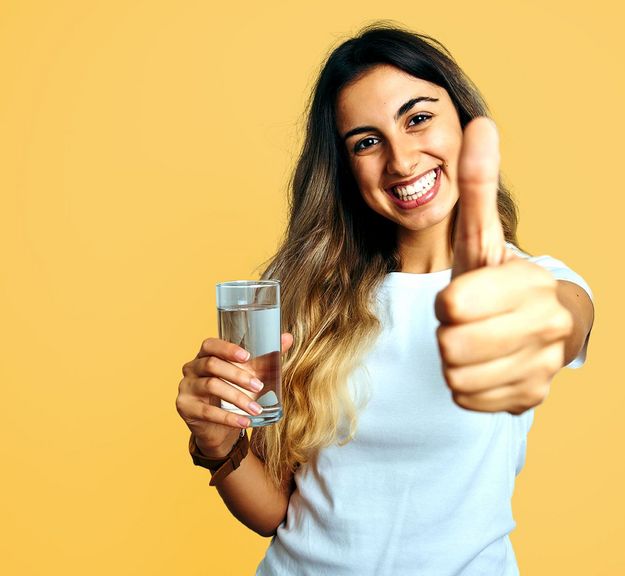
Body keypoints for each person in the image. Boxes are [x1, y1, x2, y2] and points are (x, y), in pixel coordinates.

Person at [176, 23, 595, 575]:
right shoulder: (308, 292)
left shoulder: (532, 282)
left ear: (466, 124)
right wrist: (217, 444)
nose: (401, 161)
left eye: (418, 118)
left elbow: (563, 319)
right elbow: (277, 513)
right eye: (367, 142)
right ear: (346, 169)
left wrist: (529, 324)